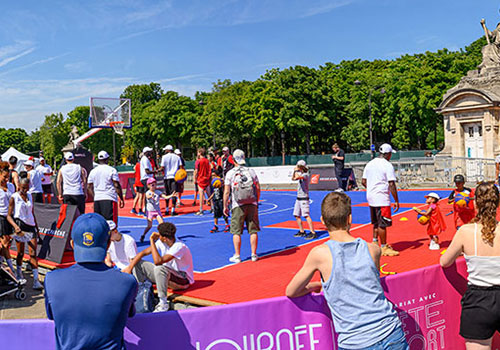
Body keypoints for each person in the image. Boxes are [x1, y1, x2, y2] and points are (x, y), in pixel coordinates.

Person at [286, 192, 409, 350]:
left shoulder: (319, 254)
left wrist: (315, 285)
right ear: (349, 219)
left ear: (323, 221)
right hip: (391, 332)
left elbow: (291, 291)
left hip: (355, 341)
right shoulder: (373, 250)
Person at [44, 213, 138, 350]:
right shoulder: (128, 282)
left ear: (72, 244)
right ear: (108, 244)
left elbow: (52, 316)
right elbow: (130, 313)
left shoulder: (51, 279)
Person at [441, 182, 500, 350]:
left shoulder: (466, 232)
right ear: (497, 203)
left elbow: (445, 262)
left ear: (475, 203)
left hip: (478, 300)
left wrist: (465, 251)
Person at [125, 222, 194, 313]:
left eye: (160, 235)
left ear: (164, 238)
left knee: (160, 268)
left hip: (182, 279)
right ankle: (141, 293)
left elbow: (158, 261)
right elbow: (142, 253)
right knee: (138, 263)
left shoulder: (179, 246)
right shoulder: (162, 242)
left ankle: (163, 303)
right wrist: (129, 268)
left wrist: (152, 241)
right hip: (168, 275)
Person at [362, 143, 400, 256]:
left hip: (371, 196)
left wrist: (372, 189)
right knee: (383, 223)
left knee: (375, 222)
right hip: (382, 197)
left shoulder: (370, 164)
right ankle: (383, 247)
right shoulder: (387, 165)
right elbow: (391, 183)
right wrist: (396, 200)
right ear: (387, 154)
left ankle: (374, 242)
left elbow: (364, 181)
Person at [223, 149, 260, 263]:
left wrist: (225, 205)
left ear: (233, 160)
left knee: (236, 231)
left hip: (238, 204)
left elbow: (226, 191)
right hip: (252, 202)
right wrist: (256, 200)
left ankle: (237, 255)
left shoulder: (231, 173)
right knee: (253, 230)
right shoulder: (251, 171)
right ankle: (254, 254)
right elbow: (258, 187)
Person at [8, 178, 43, 289]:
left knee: (33, 253)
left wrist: (36, 228)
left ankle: (36, 280)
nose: (25, 190)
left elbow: (32, 212)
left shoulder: (30, 196)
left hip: (31, 225)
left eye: (27, 188)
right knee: (21, 253)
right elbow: (9, 215)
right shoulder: (14, 197)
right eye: (23, 188)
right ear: (19, 186)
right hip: (20, 225)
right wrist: (15, 226)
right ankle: (19, 274)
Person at [87, 151, 124, 223]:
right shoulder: (112, 170)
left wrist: (95, 196)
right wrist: (121, 198)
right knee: (111, 224)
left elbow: (89, 187)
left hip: (97, 199)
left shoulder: (93, 171)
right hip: (109, 198)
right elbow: (116, 185)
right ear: (107, 159)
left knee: (99, 223)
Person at [140, 178, 176, 243]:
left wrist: (171, 195)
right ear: (148, 186)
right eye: (152, 185)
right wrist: (151, 196)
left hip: (157, 211)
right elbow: (148, 196)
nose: (154, 186)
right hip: (150, 211)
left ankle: (160, 236)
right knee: (149, 226)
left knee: (162, 224)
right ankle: (143, 235)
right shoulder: (148, 193)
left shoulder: (158, 192)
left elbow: (165, 196)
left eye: (154, 184)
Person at [292, 160, 316, 239]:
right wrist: (294, 171)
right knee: (296, 214)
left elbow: (298, 177)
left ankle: (313, 232)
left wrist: (296, 170)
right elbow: (293, 178)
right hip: (298, 198)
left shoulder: (306, 175)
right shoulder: (302, 174)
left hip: (304, 198)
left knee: (306, 215)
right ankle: (302, 231)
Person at [0, 161, 16, 275]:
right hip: (0, 217)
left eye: (8, 177)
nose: (7, 179)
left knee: (7, 243)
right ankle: (12, 270)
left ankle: (2, 264)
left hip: (10, 218)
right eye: (5, 177)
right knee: (5, 244)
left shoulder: (11, 186)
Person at [159, 144, 183, 216]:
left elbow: (162, 167)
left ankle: (167, 209)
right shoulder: (177, 157)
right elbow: (181, 167)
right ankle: (172, 210)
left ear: (168, 150)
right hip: (175, 177)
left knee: (167, 194)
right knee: (174, 193)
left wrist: (157, 170)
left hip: (167, 177)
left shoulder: (164, 157)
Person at [207, 169, 229, 233]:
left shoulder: (220, 181)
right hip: (215, 200)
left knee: (224, 213)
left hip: (221, 199)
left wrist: (222, 183)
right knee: (215, 213)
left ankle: (227, 224)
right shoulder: (213, 183)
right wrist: (209, 198)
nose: (212, 177)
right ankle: (215, 226)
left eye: (214, 175)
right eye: (212, 176)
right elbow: (214, 192)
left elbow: (225, 190)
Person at [194, 148, 211, 216]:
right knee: (209, 194)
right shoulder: (207, 161)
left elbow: (196, 170)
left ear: (200, 153)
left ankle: (201, 209)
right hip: (206, 179)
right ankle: (212, 208)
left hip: (200, 179)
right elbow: (210, 169)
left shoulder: (198, 161)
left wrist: (195, 178)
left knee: (201, 194)